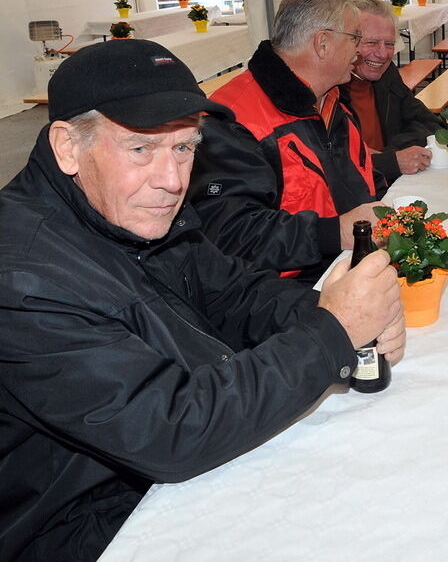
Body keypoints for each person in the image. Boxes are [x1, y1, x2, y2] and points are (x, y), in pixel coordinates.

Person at [0, 39, 406, 561]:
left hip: (158, 482)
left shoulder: (125, 208)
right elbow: (167, 429)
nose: (171, 181)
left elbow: (235, 291)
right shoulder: (23, 278)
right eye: (141, 149)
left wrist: (338, 313)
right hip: (82, 527)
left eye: (185, 148)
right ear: (67, 147)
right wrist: (332, 333)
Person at [189, 0, 382, 283]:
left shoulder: (330, 99)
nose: (359, 50)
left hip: (351, 265)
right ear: (323, 43)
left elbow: (357, 177)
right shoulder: (231, 118)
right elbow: (229, 233)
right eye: (355, 37)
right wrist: (337, 233)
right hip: (285, 293)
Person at [344, 0, 445, 181]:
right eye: (371, 43)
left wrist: (391, 152)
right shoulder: (329, 88)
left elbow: (429, 123)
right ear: (348, 42)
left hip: (392, 183)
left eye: (389, 44)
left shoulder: (386, 74)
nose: (383, 54)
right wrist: (391, 159)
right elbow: (335, 163)